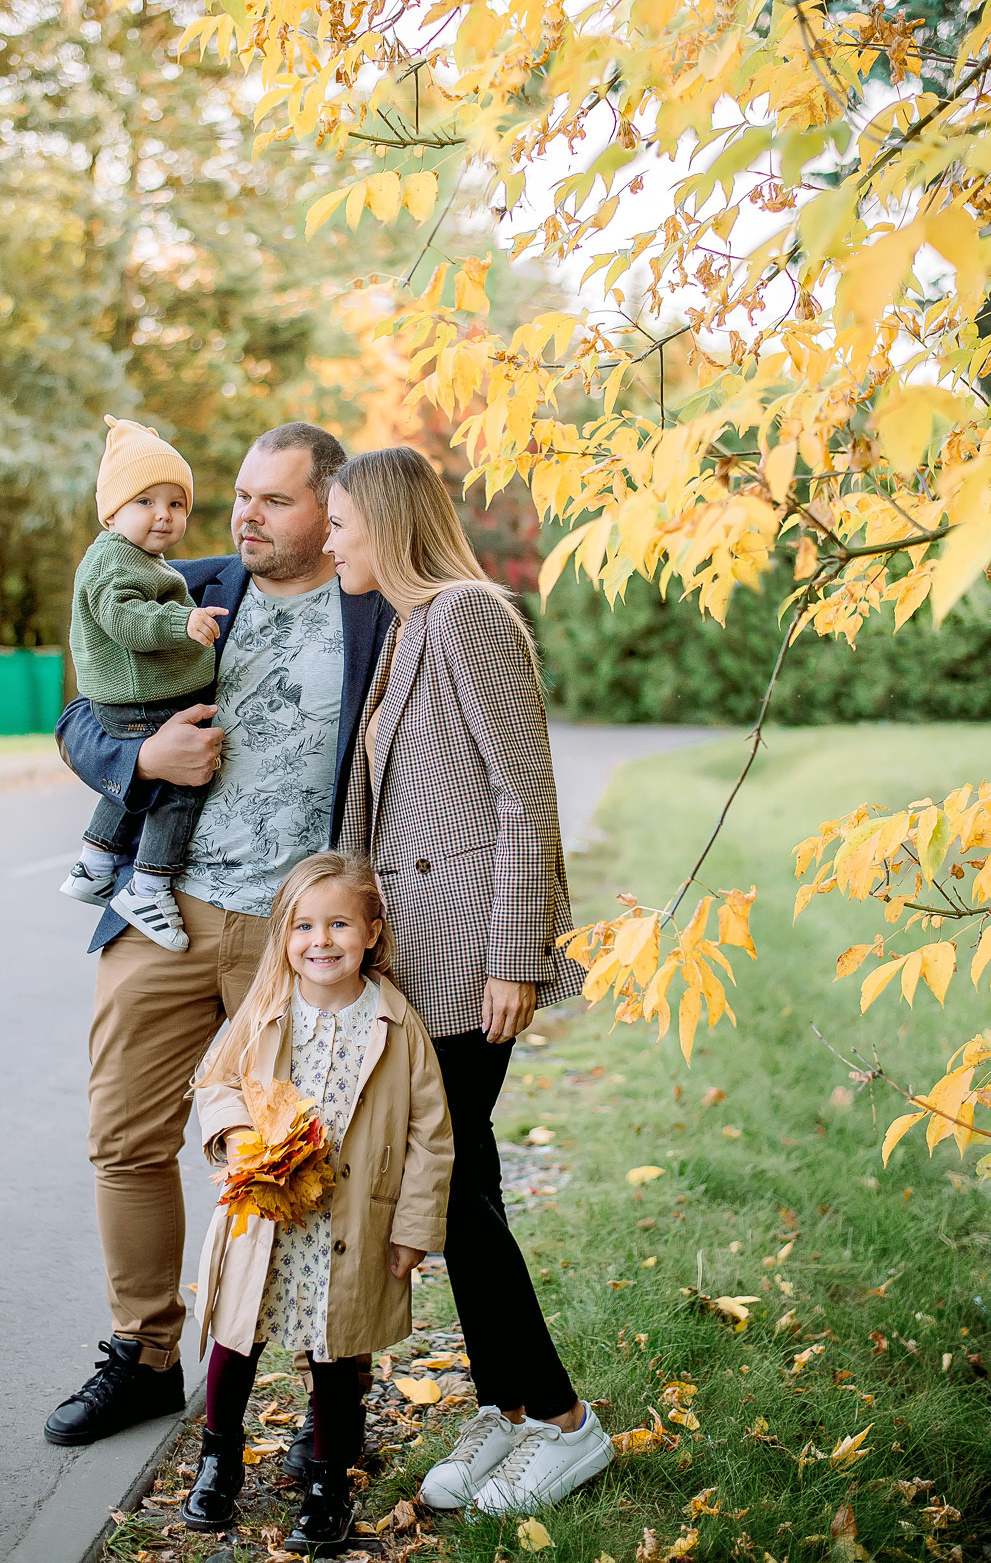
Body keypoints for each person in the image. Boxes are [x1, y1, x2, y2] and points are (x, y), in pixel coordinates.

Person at [44, 423, 392, 1449]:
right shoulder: (181, 588)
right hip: (164, 910)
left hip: (299, 939)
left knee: (306, 1162)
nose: (245, 516)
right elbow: (78, 716)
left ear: (329, 509)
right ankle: (145, 1355)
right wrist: (141, 757)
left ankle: (332, 1395)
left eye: (274, 500)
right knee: (124, 1139)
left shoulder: (379, 613)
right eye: (240, 495)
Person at [325, 446, 613, 1514]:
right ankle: (507, 1405)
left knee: (449, 1186)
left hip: (469, 959)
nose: (329, 540)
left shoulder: (468, 615)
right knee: (463, 1179)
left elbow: (521, 795)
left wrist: (514, 954)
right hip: (416, 958)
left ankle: (565, 1422)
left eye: (341, 522)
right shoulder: (405, 627)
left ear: (387, 522)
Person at [182, 851, 452, 1549]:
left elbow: (431, 1133)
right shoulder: (265, 1011)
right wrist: (239, 1137)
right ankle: (219, 1460)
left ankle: (329, 1484)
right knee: (238, 1334)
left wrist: (413, 1227)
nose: (320, 941)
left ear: (372, 931)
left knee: (336, 1349)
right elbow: (216, 1082)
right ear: (284, 935)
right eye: (303, 926)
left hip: (351, 1219)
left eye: (338, 924)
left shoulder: (396, 1024)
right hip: (267, 1211)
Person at [61, 416, 230, 952]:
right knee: (179, 781)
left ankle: (94, 860)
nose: (164, 514)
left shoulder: (141, 559)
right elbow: (124, 618)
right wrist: (181, 622)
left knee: (147, 771)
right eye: (145, 501)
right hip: (140, 699)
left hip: (140, 698)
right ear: (112, 512)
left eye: (176, 503)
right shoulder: (115, 560)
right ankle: (149, 886)